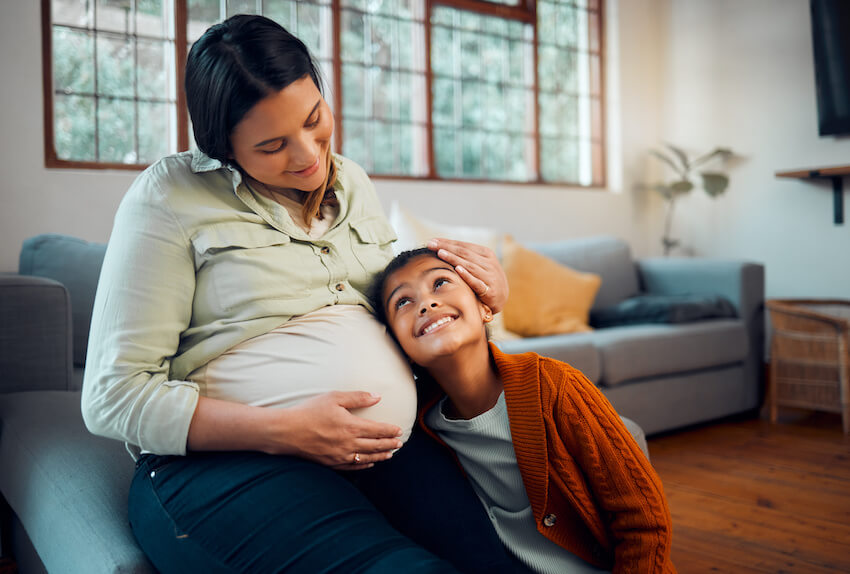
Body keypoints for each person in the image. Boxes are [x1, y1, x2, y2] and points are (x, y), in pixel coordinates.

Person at [81, 14, 517, 574]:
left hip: (375, 452)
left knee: (497, 564)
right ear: (223, 147)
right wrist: (284, 430)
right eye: (271, 145)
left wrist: (481, 306)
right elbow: (112, 396)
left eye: (315, 120)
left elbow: (406, 327)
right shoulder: (170, 196)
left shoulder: (352, 182)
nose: (309, 155)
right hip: (225, 465)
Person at [370, 248, 677, 574]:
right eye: (402, 301)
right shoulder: (417, 426)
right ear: (399, 347)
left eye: (441, 283)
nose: (426, 303)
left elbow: (644, 522)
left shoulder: (556, 386)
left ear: (485, 308)